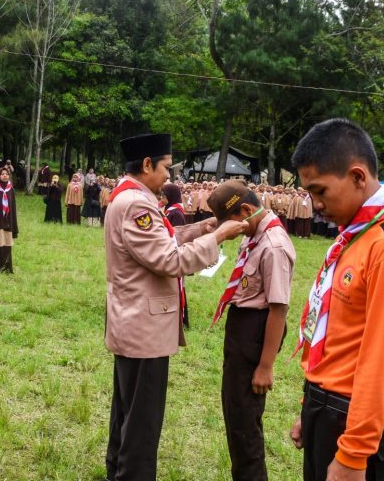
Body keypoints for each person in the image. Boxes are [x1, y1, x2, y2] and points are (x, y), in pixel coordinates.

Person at [289, 119, 384, 481]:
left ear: (356, 176)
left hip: (356, 426)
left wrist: (354, 455)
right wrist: (310, 407)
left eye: (320, 191)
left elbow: (382, 361)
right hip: (328, 411)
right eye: (309, 192)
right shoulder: (356, 235)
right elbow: (337, 335)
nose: (315, 205)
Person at [104, 133, 247, 481]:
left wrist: (201, 228)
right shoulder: (136, 204)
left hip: (134, 323)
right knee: (142, 423)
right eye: (166, 166)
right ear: (147, 164)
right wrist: (218, 238)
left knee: (128, 413)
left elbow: (162, 239)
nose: (170, 176)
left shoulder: (132, 197)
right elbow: (168, 259)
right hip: (144, 329)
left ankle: (118, 471)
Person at [207, 180, 296, 481]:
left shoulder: (274, 246)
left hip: (256, 332)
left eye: (231, 223)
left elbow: (278, 310)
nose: (231, 231)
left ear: (246, 209)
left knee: (245, 424)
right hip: (241, 328)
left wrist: (266, 366)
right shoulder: (255, 233)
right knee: (235, 415)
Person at [0, 166, 19, 272]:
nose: (5, 175)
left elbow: (13, 206)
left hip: (8, 221)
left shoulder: (10, 188)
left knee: (7, 243)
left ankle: (7, 267)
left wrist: (13, 222)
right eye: (2, 174)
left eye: (6, 174)